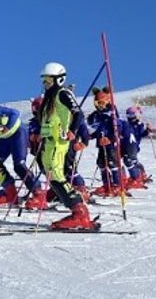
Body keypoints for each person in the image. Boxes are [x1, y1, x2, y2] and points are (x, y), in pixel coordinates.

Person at [37, 62, 97, 230]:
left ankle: (79, 212)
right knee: (50, 174)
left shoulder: (63, 93)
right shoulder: (49, 97)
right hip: (48, 141)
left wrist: (72, 130)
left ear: (59, 79)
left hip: (58, 142)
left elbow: (78, 113)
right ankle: (75, 210)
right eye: (44, 80)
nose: (46, 84)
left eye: (49, 80)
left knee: (56, 174)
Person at [0, 90, 47, 210]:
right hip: (6, 138)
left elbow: (15, 113)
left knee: (19, 165)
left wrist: (8, 127)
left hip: (18, 134)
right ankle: (11, 194)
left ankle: (39, 194)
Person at [86, 87, 132, 196]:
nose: (100, 105)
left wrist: (110, 138)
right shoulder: (98, 114)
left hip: (111, 144)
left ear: (108, 101)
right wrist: (91, 136)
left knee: (113, 163)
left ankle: (118, 185)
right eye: (98, 102)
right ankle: (107, 185)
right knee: (101, 164)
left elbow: (118, 128)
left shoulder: (112, 113)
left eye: (102, 102)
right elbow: (98, 128)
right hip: (101, 144)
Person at [124, 106, 151, 187]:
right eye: (128, 116)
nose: (130, 118)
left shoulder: (139, 125)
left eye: (132, 116)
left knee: (130, 160)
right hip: (126, 145)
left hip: (134, 146)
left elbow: (142, 133)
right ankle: (140, 174)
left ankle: (136, 177)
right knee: (133, 161)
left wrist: (147, 131)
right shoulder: (127, 124)